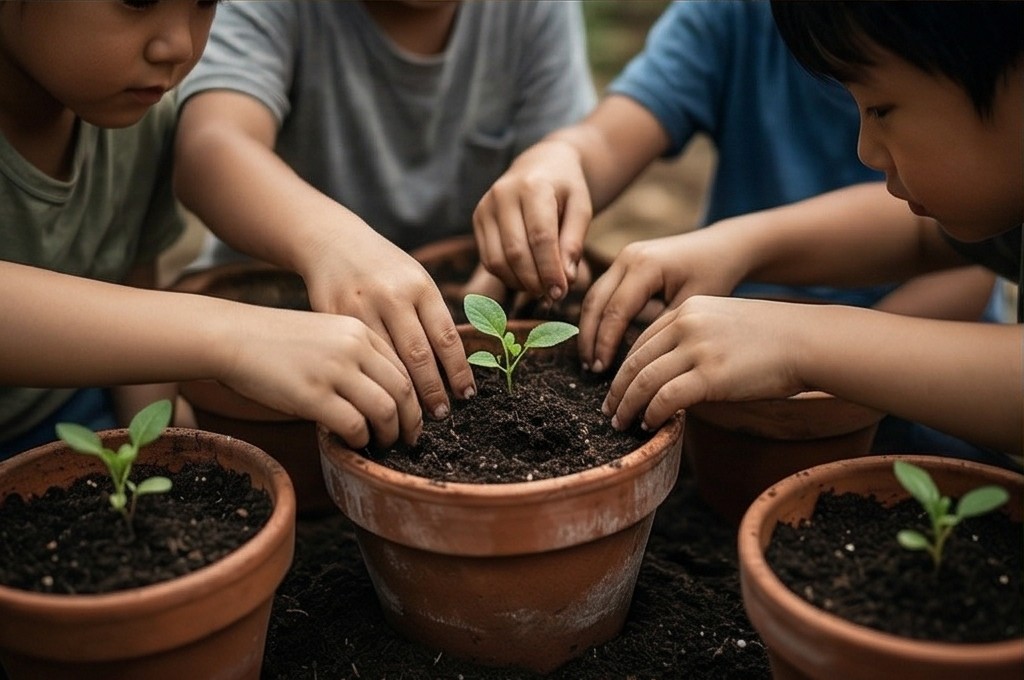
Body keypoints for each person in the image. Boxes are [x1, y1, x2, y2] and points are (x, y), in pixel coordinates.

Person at [471, 0, 1002, 459]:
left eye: (882, 109)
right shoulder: (737, 16)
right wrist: (738, 247)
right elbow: (927, 237)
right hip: (735, 387)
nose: (866, 152)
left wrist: (806, 349)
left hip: (931, 410)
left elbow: (970, 272)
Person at [0, 0, 421, 459]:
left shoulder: (141, 122)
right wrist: (234, 337)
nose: (180, 44)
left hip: (76, 413)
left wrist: (156, 449)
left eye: (206, 3)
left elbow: (136, 301)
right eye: (137, 1)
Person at [172, 0, 596, 422]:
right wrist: (331, 244)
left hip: (457, 305)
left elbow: (555, 167)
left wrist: (533, 240)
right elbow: (209, 149)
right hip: (278, 332)